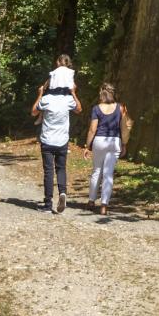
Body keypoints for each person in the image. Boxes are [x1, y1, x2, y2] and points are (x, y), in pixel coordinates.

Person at [31, 82, 82, 213]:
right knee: (61, 169)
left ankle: (48, 204)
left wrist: (40, 93)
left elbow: (34, 111)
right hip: (62, 140)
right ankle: (62, 193)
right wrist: (74, 93)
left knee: (48, 171)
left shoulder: (46, 99)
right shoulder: (68, 100)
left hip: (47, 140)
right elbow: (79, 109)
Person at [84, 82, 129, 216]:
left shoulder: (96, 109)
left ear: (101, 93)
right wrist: (124, 144)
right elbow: (124, 128)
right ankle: (104, 206)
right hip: (114, 141)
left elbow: (92, 129)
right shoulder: (121, 108)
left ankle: (91, 201)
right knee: (108, 174)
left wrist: (87, 146)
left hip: (99, 141)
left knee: (96, 171)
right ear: (112, 93)